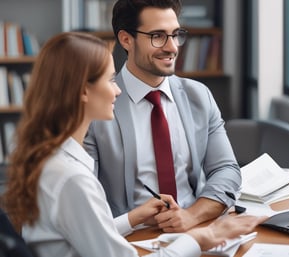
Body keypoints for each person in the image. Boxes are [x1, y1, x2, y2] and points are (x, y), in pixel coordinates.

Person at [1, 32, 266, 257]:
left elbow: (87, 233)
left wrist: (134, 218)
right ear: (83, 91)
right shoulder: (72, 179)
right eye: (109, 80)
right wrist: (204, 237)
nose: (117, 90)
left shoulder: (52, 159)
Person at [84, 0, 241, 232]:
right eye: (158, 36)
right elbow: (85, 195)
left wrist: (192, 216)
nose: (172, 47)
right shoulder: (99, 105)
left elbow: (226, 169)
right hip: (129, 238)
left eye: (175, 34)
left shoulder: (198, 96)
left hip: (194, 230)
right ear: (126, 39)